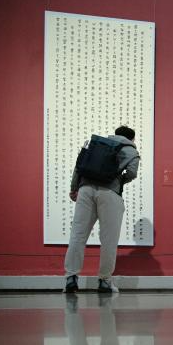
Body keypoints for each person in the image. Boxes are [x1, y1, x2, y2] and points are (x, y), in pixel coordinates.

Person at [64, 126, 140, 293]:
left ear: (115, 133)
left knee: (77, 235)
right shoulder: (131, 151)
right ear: (132, 138)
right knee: (108, 240)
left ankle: (71, 278)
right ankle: (104, 281)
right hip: (110, 193)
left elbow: (79, 165)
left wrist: (74, 188)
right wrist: (118, 181)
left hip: (85, 189)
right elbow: (132, 173)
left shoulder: (97, 143)